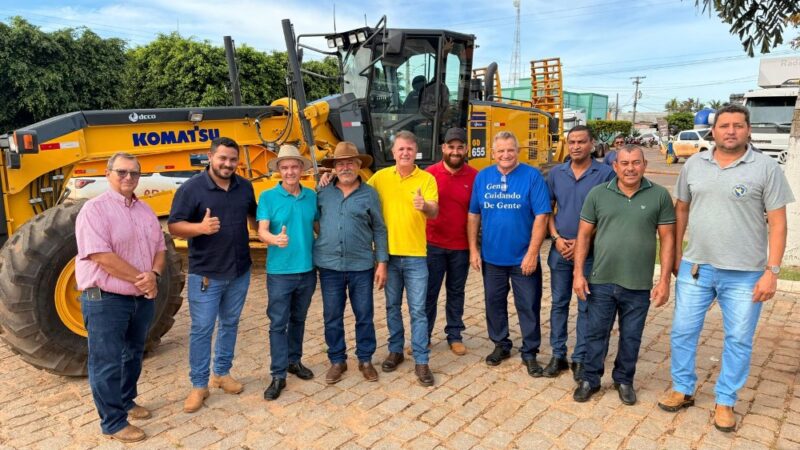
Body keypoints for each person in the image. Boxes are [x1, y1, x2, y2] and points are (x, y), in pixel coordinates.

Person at [658, 104, 794, 432]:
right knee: (682, 331)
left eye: (737, 125)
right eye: (724, 126)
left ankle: (725, 400)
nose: (730, 131)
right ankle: (683, 388)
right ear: (713, 131)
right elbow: (681, 210)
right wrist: (676, 255)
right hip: (696, 268)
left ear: (748, 130)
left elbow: (778, 223)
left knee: (739, 339)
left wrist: (772, 271)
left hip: (745, 274)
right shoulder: (694, 164)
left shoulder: (766, 168)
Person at [572, 144, 675, 405]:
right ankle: (590, 379)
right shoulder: (598, 194)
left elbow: (667, 239)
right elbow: (583, 235)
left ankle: (624, 380)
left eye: (636, 162)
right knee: (596, 333)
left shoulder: (659, 195)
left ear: (645, 165)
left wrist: (664, 280)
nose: (630, 168)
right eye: (625, 163)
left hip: (638, 283)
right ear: (615, 166)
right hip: (601, 279)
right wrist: (578, 274)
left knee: (631, 336)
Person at [76, 152, 165, 442]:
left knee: (133, 354)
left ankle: (126, 400)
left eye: (134, 173)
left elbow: (160, 248)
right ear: (108, 174)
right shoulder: (94, 210)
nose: (128, 177)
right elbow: (101, 256)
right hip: (106, 299)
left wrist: (155, 274)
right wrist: (144, 279)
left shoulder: (145, 210)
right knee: (107, 362)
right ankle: (113, 422)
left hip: (140, 298)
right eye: (122, 172)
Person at [168, 137, 256, 414]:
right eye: (223, 158)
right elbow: (174, 227)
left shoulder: (245, 187)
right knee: (202, 329)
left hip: (239, 271)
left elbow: (255, 217)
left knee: (230, 323)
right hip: (206, 274)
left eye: (233, 159)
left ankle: (222, 373)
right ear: (210, 157)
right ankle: (198, 385)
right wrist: (200, 228)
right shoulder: (191, 189)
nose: (228, 164)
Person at [468, 131, 551, 377]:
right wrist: (473, 249)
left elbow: (542, 216)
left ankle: (530, 352)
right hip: (492, 258)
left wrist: (532, 253)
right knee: (494, 303)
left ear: (518, 151)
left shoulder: (532, 176)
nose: (506, 155)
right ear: (493, 153)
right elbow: (473, 214)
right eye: (501, 151)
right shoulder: (483, 177)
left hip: (523, 258)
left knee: (528, 305)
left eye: (510, 150)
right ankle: (501, 344)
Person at [368, 130, 439, 386]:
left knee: (418, 310)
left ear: (415, 151)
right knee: (392, 306)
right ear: (393, 152)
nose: (405, 153)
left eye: (409, 149)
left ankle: (421, 360)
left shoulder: (427, 179)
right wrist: (329, 179)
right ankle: (395, 350)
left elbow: (434, 211)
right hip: (388, 257)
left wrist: (424, 206)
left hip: (416, 255)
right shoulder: (380, 178)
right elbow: (357, 191)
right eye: (401, 149)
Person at [544, 125, 614, 382]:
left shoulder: (605, 174)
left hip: (591, 253)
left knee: (586, 305)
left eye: (581, 142)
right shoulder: (556, 173)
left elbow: (608, 215)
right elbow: (547, 209)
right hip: (560, 250)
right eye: (571, 142)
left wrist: (583, 241)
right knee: (559, 303)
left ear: (591, 144)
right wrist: (555, 238)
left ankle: (581, 357)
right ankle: (558, 354)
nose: (576, 146)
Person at [315, 142, 388, 384]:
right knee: (332, 316)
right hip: (329, 266)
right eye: (340, 164)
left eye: (350, 163)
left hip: (361, 266)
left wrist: (382, 262)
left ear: (358, 166)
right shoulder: (323, 191)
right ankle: (337, 360)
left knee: (364, 314)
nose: (345, 167)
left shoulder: (369, 194)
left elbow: (379, 229)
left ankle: (365, 359)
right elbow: (314, 220)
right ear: (334, 167)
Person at [257, 145, 318, 400]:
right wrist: (274, 239)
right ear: (279, 171)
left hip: (307, 270)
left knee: (299, 319)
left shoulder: (312, 196)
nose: (290, 171)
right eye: (285, 167)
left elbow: (318, 227)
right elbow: (262, 231)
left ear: (302, 169)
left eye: (294, 166)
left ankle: (294, 361)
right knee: (278, 324)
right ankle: (278, 374)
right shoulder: (267, 197)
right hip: (280, 273)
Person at [423, 127, 478, 356]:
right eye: (451, 147)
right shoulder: (429, 174)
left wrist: (474, 249)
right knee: (429, 293)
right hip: (432, 245)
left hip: (460, 247)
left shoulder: (475, 176)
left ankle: (454, 335)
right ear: (443, 148)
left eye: (460, 147)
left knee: (456, 292)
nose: (455, 151)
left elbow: (477, 213)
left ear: (466, 149)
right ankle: (423, 336)